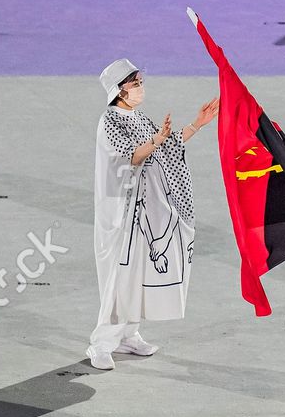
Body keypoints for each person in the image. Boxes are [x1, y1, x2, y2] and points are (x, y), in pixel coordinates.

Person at [89, 58, 217, 371]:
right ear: (119, 91)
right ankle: (101, 344)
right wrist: (157, 139)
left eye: (140, 82)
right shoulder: (110, 121)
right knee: (119, 279)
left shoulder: (139, 117)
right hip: (121, 212)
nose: (140, 88)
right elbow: (130, 156)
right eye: (135, 84)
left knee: (137, 274)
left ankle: (128, 335)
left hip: (143, 209)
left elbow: (164, 148)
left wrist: (197, 124)